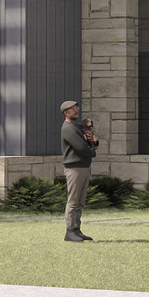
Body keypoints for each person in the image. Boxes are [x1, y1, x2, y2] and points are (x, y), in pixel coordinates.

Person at [60, 99, 98, 242]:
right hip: (74, 168)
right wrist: (94, 152)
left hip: (83, 167)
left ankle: (76, 229)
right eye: (73, 109)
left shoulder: (77, 127)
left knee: (80, 201)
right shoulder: (67, 128)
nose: (77, 110)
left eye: (77, 108)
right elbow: (81, 147)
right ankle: (69, 232)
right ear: (66, 112)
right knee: (73, 201)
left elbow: (87, 142)